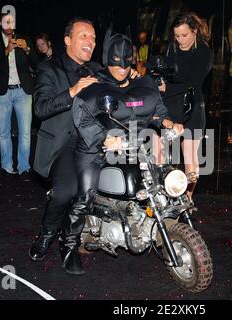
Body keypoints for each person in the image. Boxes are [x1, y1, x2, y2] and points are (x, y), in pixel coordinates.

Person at [64, 29, 182, 275]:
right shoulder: (94, 84)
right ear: (106, 60)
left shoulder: (143, 83)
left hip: (135, 146)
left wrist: (170, 123)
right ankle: (69, 248)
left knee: (161, 181)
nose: (121, 68)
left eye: (125, 63)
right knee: (84, 196)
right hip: (95, 149)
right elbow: (81, 116)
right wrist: (104, 137)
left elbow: (157, 109)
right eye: (115, 63)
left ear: (132, 61)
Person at [29, 18, 100, 262]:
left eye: (93, 38)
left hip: (93, 143)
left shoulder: (97, 71)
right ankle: (47, 234)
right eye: (84, 36)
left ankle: (73, 241)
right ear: (67, 40)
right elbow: (40, 108)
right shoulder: (49, 69)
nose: (90, 42)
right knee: (64, 192)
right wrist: (72, 91)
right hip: (64, 143)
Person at [159, 12, 213, 202]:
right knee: (160, 152)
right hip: (170, 105)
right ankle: (160, 198)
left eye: (185, 35)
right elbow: (165, 73)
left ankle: (187, 201)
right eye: (177, 35)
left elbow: (195, 82)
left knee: (190, 156)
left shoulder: (204, 51)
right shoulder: (171, 48)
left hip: (192, 106)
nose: (180, 40)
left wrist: (168, 86)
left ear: (195, 31)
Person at [0, 5, 38, 178]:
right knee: (4, 132)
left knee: (25, 132)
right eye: (6, 22)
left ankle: (24, 167)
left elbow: (36, 63)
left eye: (12, 22)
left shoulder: (24, 39)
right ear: (0, 23)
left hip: (23, 91)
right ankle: (6, 167)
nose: (9, 25)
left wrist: (27, 49)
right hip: (2, 91)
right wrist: (7, 50)